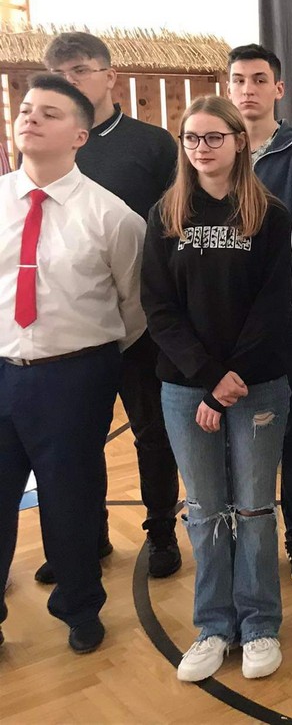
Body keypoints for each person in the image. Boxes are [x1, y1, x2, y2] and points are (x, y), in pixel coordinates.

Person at [141, 96, 292, 682]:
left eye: (213, 137)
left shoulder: (271, 215)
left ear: (239, 141)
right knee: (204, 509)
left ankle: (259, 624)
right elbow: (158, 307)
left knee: (254, 507)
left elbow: (277, 304)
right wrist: (208, 378)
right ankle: (213, 625)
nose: (201, 148)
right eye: (191, 138)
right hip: (187, 388)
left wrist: (230, 380)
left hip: (257, 385)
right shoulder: (166, 215)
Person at [0, 74, 146, 653]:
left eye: (50, 113)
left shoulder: (112, 217)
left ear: (80, 135)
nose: (30, 118)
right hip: (1, 367)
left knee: (71, 496)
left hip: (73, 374)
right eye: (26, 109)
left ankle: (79, 605)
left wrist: (89, 357)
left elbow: (134, 306)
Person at [37, 31, 181, 582]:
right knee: (75, 440)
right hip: (73, 324)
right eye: (59, 74)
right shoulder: (50, 148)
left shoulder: (153, 144)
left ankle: (162, 533)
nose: (69, 82)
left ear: (109, 76)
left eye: (79, 70)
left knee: (152, 433)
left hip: (143, 322)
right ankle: (87, 538)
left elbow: (175, 229)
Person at [227, 43, 292, 587]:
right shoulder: (212, 147)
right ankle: (242, 534)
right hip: (227, 322)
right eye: (239, 80)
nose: (248, 89)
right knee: (233, 435)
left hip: (288, 321)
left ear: (278, 89)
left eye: (259, 79)